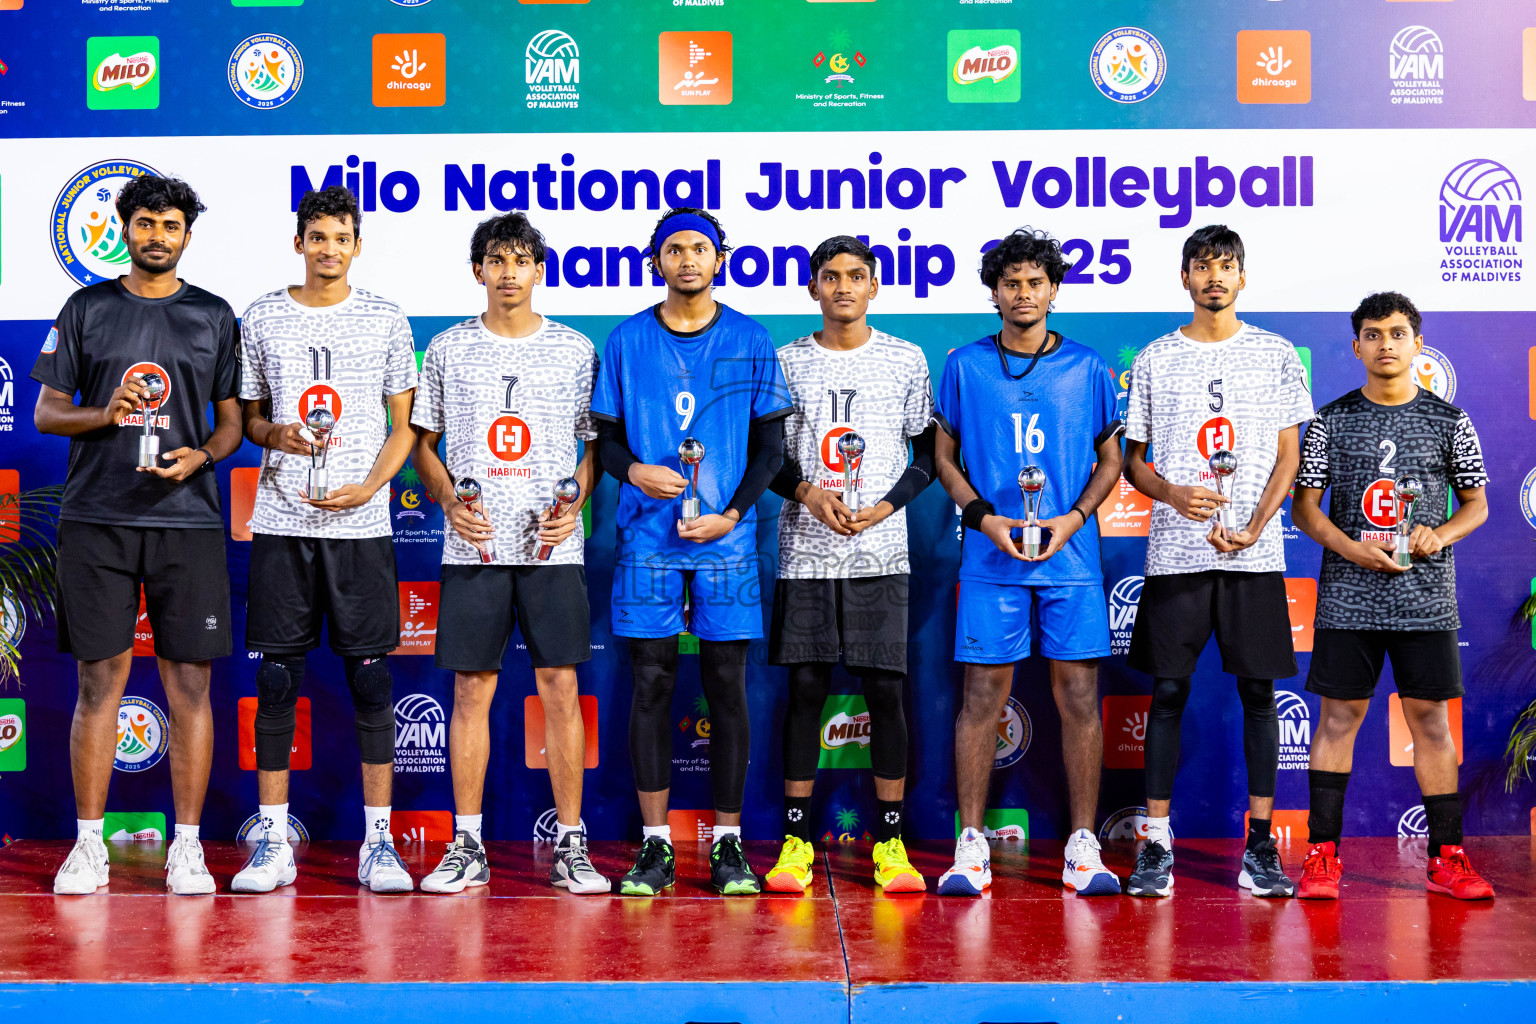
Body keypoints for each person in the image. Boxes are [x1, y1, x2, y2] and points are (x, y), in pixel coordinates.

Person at [35, 174, 242, 896]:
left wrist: (203, 457)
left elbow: (231, 423)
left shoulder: (213, 315)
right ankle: (88, 846)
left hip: (188, 521)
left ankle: (188, 848)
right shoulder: (86, 308)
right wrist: (107, 412)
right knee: (100, 683)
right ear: (124, 228)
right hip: (98, 519)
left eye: (171, 224)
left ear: (187, 234)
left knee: (191, 684)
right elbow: (47, 413)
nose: (158, 235)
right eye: (146, 222)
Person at [593, 207, 790, 896]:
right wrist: (634, 471)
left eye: (699, 248)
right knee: (650, 684)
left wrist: (732, 514)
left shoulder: (750, 338)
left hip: (726, 543)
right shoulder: (627, 340)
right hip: (647, 539)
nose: (687, 259)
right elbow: (606, 441)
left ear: (719, 259)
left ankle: (729, 846)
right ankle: (655, 848)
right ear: (656, 261)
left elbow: (772, 450)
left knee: (727, 686)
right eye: (673, 248)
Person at [412, 212, 607, 894]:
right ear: (479, 271)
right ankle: (467, 844)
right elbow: (423, 445)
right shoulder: (446, 349)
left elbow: (594, 449)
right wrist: (448, 500)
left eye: (521, 260)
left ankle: (572, 845)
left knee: (561, 689)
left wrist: (574, 505)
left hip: (553, 549)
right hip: (475, 547)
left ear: (538, 271)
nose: (509, 272)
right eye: (497, 260)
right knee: (471, 691)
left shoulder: (575, 350)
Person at [231, 185, 418, 894]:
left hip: (360, 527)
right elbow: (248, 420)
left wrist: (370, 487)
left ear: (357, 245)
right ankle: (272, 842)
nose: (329, 249)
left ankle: (380, 844)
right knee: (276, 680)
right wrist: (274, 433)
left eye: (342, 237)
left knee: (372, 680)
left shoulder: (386, 318)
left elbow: (404, 425)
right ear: (299, 242)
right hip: (283, 522)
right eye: (318, 237)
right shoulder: (262, 316)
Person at [1122, 224, 1313, 898]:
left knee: (1260, 695)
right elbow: (1133, 463)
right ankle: (1155, 844)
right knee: (1167, 693)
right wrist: (1173, 493)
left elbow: (1289, 455)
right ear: (1185, 278)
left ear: (1242, 276)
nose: (1214, 277)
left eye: (1226, 265)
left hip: (1254, 557)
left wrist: (1257, 524)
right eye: (1202, 266)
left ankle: (1260, 848)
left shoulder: (1276, 353)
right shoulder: (1155, 357)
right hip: (1176, 555)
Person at [932, 228, 1124, 897]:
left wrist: (1074, 518)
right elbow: (943, 457)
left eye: (1034, 282)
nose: (1022, 293)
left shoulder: (1088, 368)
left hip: (1071, 557)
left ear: (1053, 289)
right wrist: (984, 518)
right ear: (994, 292)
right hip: (992, 556)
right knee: (981, 698)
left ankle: (1083, 844)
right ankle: (971, 844)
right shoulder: (966, 366)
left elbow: (1111, 458)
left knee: (1080, 697)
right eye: (1010, 282)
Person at [1292, 291, 1492, 900]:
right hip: (1348, 598)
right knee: (1337, 720)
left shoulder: (1450, 421)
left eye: (1398, 333)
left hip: (1425, 600)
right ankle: (1322, 857)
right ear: (1356, 347)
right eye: (1373, 335)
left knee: (1430, 722)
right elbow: (1304, 509)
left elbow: (1477, 505)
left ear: (1418, 344)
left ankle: (1448, 857)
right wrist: (1350, 547)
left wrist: (1439, 533)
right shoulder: (1329, 421)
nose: (1386, 344)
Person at [763, 235, 933, 895]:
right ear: (813, 287)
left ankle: (891, 842)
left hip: (881, 554)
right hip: (805, 554)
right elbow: (766, 459)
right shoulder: (785, 361)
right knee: (805, 692)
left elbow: (928, 455)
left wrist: (887, 507)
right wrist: (808, 493)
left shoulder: (905, 358)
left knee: (885, 694)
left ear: (873, 286)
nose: (842, 287)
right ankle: (796, 842)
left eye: (855, 275)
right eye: (830, 276)